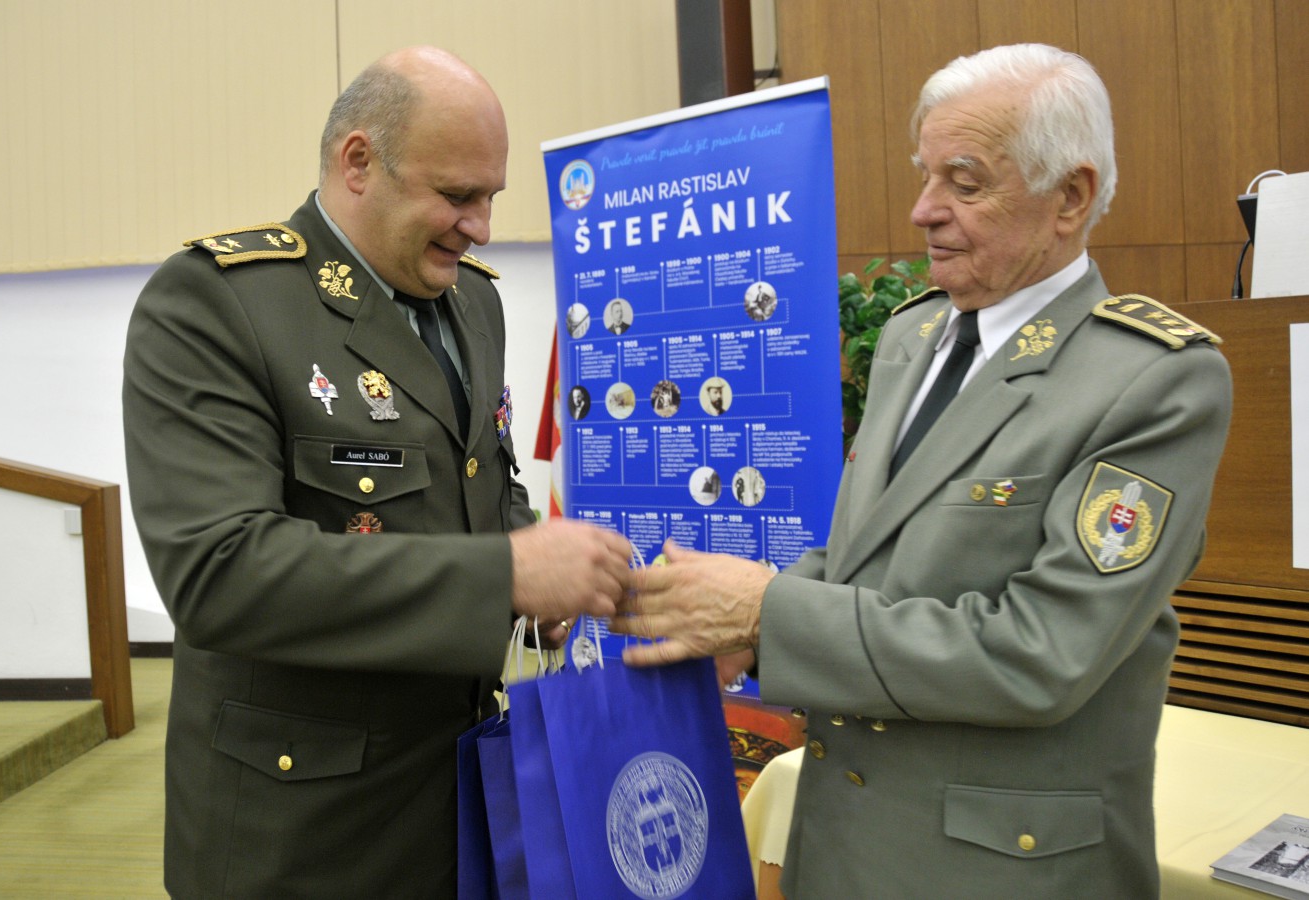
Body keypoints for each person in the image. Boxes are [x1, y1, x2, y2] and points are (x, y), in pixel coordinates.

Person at [612, 44, 1231, 898]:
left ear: (1071, 197)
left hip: (1000, 872)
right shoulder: (912, 337)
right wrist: (740, 630)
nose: (922, 211)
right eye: (925, 175)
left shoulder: (1151, 380)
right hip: (841, 849)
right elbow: (862, 558)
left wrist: (767, 613)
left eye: (964, 183)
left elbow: (1041, 652)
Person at [122, 46, 633, 898]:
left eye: (491, 197)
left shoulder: (472, 301)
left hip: (456, 803)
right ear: (358, 162)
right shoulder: (219, 303)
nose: (480, 226)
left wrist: (545, 581)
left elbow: (478, 482)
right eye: (457, 195)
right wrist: (506, 575)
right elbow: (219, 572)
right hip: (303, 832)